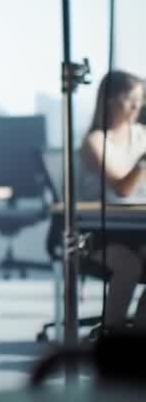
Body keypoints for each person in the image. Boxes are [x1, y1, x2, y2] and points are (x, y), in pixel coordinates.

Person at [81, 70, 146, 328]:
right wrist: (142, 163)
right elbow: (122, 188)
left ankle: (140, 331)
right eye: (131, 99)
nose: (137, 106)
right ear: (110, 100)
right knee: (129, 266)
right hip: (98, 232)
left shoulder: (141, 134)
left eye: (140, 99)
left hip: (138, 228)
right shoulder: (95, 142)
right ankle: (113, 331)